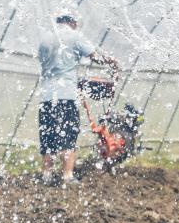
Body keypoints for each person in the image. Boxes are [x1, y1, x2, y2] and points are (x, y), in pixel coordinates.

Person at [37, 12, 118, 187]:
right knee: (67, 135)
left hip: (46, 97)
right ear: (71, 22)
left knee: (48, 137)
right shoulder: (74, 36)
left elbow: (50, 65)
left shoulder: (45, 39)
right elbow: (95, 56)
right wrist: (112, 62)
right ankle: (67, 176)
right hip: (66, 95)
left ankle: (47, 175)